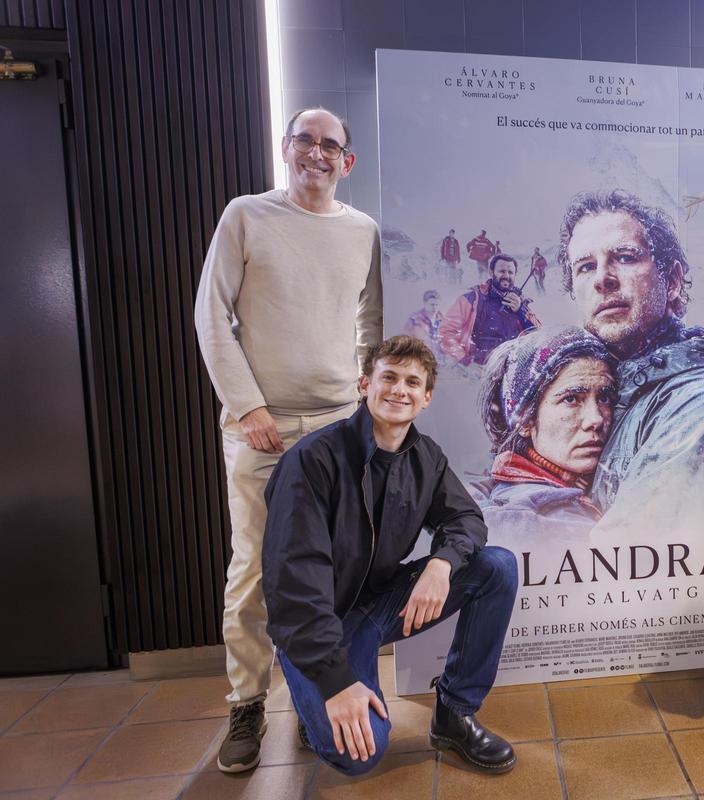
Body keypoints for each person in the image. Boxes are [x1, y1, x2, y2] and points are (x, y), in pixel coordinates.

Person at [194, 107, 382, 773]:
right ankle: (247, 703)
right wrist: (245, 406)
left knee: (326, 571)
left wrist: (366, 388)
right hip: (261, 428)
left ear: (347, 161)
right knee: (254, 571)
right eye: (306, 139)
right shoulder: (246, 214)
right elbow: (209, 312)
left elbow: (373, 320)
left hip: (335, 428)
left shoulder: (363, 231)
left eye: (331, 145)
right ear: (285, 147)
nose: (317, 153)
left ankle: (313, 697)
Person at [262, 336, 519, 776]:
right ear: (366, 384)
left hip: (377, 608)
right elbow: (294, 583)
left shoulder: (425, 458)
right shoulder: (311, 461)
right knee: (358, 757)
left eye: (412, 382)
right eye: (390, 377)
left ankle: (453, 715)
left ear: (426, 397)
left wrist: (442, 564)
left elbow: (467, 520)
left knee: (496, 566)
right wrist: (336, 681)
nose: (400, 390)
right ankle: (312, 694)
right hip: (317, 627)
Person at [556, 190, 704, 535]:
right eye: (585, 267)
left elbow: (634, 552)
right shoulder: (611, 391)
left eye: (625, 257)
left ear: (671, 281)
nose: (602, 279)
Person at [473, 326, 617, 539]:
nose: (595, 419)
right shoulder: (546, 524)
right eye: (571, 399)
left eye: (604, 398)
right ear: (524, 420)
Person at [439, 254, 540, 366]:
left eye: (510, 272)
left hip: (511, 371)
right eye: (502, 271)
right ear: (491, 272)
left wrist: (520, 310)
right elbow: (447, 331)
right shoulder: (473, 299)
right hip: (479, 370)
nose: (506, 276)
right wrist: (464, 360)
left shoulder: (521, 303)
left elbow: (538, 335)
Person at [404, 289, 445, 360]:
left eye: (436, 305)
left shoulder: (442, 320)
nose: (435, 308)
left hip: (439, 361)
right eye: (432, 304)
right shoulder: (414, 320)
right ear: (425, 303)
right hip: (419, 359)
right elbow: (404, 340)